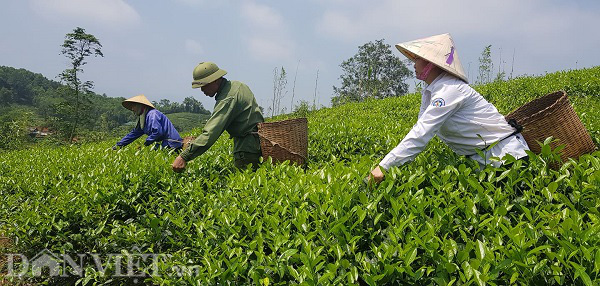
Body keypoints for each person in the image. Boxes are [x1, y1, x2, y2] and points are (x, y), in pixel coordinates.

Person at [370, 33, 529, 184]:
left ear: (430, 62)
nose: (414, 64)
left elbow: (423, 132)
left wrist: (385, 166)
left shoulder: (450, 90)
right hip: (484, 163)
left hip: (507, 158)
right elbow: (420, 128)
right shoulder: (431, 92)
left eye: (417, 59)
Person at [171, 62, 264, 172]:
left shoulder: (227, 99)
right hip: (258, 143)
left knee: (245, 185)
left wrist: (184, 156)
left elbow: (210, 133)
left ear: (215, 80)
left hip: (247, 150)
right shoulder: (238, 85)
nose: (202, 90)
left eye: (204, 85)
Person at [114, 94, 183, 150]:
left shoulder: (153, 114)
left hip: (171, 144)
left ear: (140, 106)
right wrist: (119, 145)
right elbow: (134, 133)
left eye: (134, 106)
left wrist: (148, 141)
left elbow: (158, 132)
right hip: (162, 144)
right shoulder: (143, 118)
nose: (132, 109)